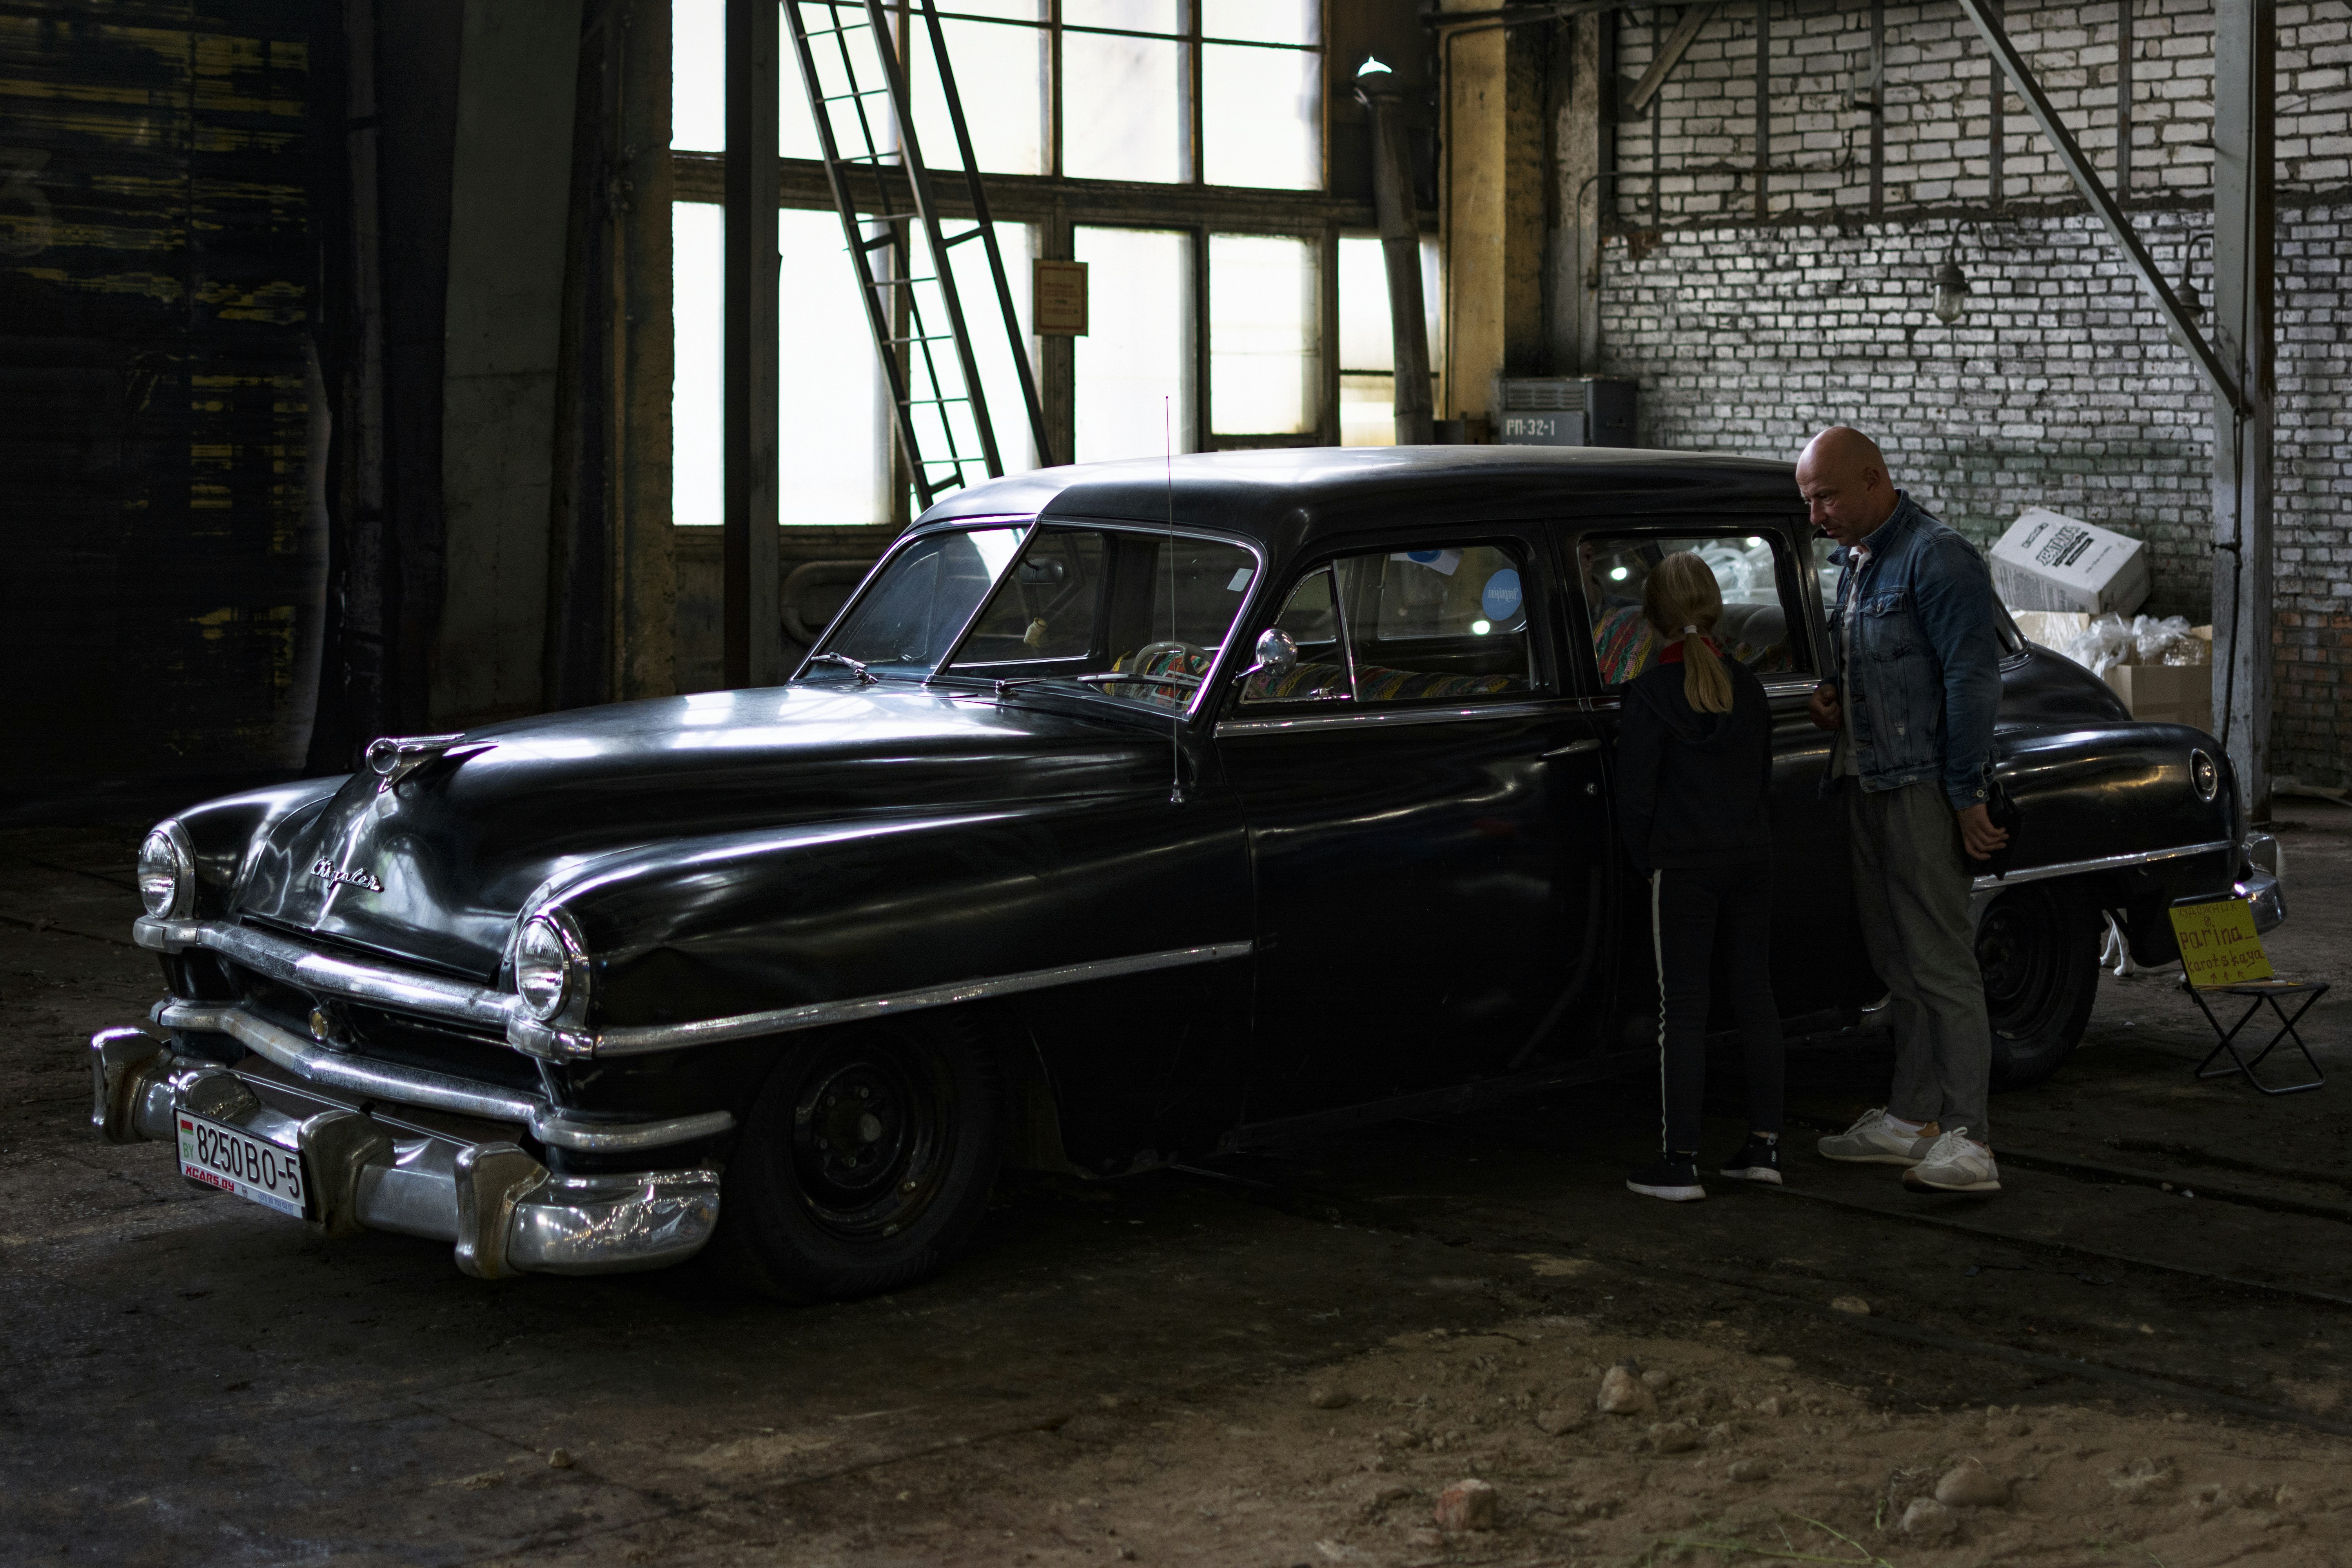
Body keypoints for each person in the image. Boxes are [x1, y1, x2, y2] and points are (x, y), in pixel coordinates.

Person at [1798, 427, 2009, 1195]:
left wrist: (1965, 794)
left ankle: (1969, 1137)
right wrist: (1837, 704)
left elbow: (1972, 682)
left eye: (1824, 497)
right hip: (1866, 779)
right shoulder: (1855, 564)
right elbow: (1878, 673)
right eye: (1808, 501)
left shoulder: (1938, 556)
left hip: (1921, 785)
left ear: (1872, 478)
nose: (1816, 514)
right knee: (1898, 960)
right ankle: (1914, 1118)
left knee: (1942, 962)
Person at [1614, 551, 1785, 1202]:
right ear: (1716, 610)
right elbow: (1762, 778)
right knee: (1755, 997)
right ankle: (1765, 1149)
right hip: (1751, 857)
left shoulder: (1649, 697)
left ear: (1652, 619)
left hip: (1684, 867)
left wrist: (1649, 861)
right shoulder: (1752, 689)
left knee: (1682, 1009)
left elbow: (1636, 799)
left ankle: (1680, 1160)